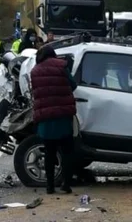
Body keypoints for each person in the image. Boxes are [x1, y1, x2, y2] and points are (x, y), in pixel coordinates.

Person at [30, 45, 77, 195]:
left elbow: (35, 92)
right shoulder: (62, 66)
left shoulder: (35, 71)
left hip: (45, 117)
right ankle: (66, 184)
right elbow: (73, 84)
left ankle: (50, 186)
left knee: (49, 153)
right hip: (63, 115)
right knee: (67, 151)